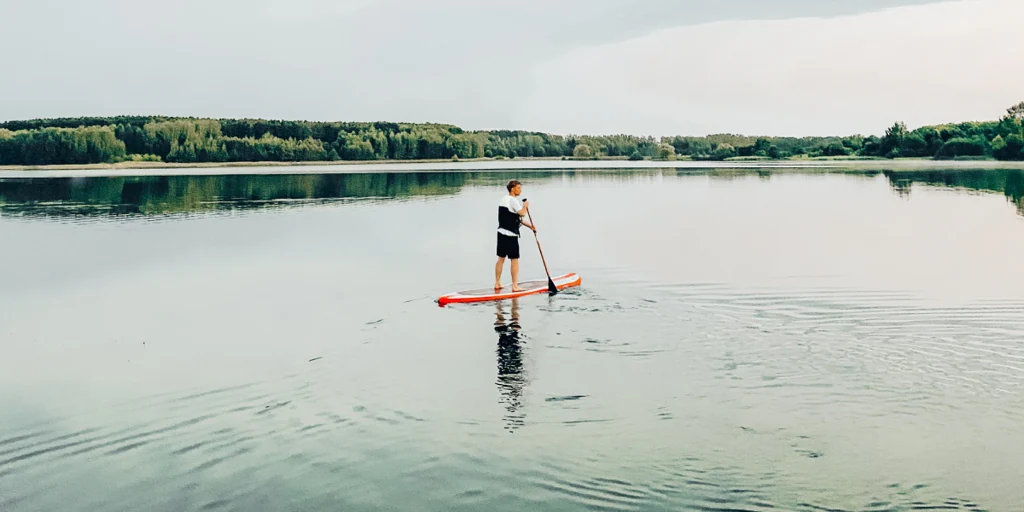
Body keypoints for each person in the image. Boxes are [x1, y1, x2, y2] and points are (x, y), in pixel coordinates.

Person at [495, 180, 536, 291]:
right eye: (518, 188)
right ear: (512, 189)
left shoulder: (504, 199)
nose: (520, 190)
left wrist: (531, 226)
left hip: (501, 233)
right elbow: (522, 213)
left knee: (501, 258)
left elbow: (517, 218)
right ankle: (515, 286)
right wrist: (525, 206)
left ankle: (497, 283)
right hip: (511, 235)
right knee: (514, 259)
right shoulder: (513, 201)